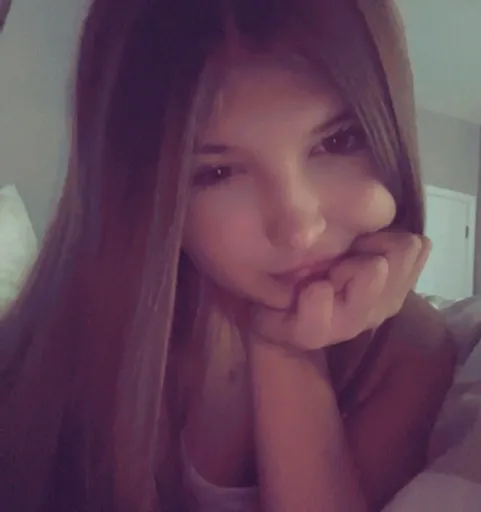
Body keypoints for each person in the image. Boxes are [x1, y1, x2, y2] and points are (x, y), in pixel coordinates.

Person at [0, 0, 457, 510]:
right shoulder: (76, 341)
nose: (298, 230)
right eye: (218, 173)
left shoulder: (410, 351)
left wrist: (285, 350)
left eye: (338, 141)